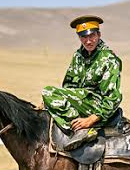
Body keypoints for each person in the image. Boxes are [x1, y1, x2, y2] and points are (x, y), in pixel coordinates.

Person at [41, 15, 123, 151]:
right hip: (81, 102)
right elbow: (68, 86)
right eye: (84, 37)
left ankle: (83, 130)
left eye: (92, 36)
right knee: (48, 97)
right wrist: (51, 102)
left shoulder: (108, 59)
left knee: (47, 91)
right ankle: (75, 122)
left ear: (99, 35)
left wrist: (91, 119)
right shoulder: (78, 56)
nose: (88, 41)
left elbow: (112, 98)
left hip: (97, 105)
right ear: (79, 37)